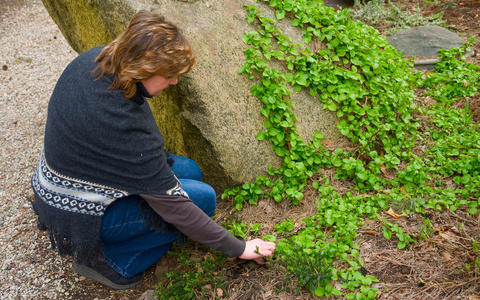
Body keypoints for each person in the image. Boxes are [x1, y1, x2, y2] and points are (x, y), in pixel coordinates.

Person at [30, 10, 275, 290]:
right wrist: (240, 247)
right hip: (72, 209)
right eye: (169, 75)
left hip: (60, 179)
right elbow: (177, 210)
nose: (174, 82)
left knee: (190, 171)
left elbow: (137, 158)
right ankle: (108, 262)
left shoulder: (98, 58)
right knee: (202, 200)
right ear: (143, 68)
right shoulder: (122, 122)